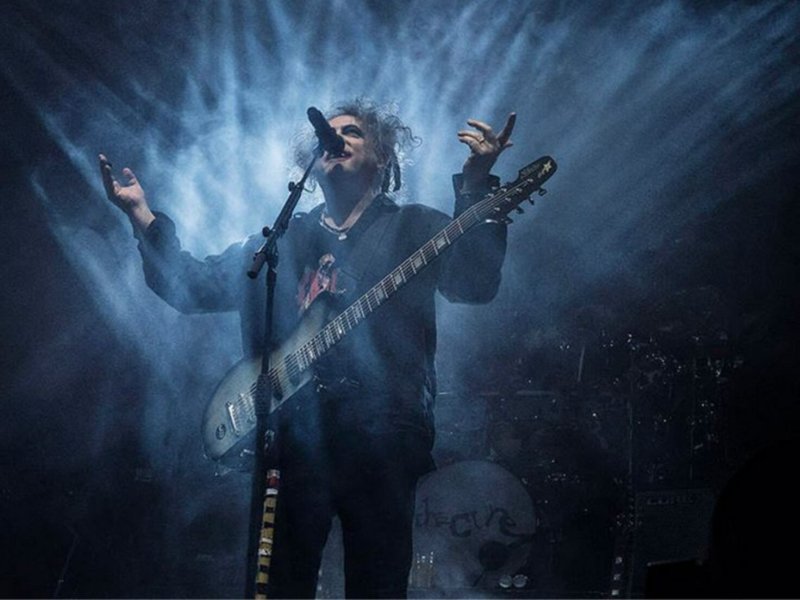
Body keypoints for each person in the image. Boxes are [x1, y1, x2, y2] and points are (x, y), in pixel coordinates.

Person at [99, 98, 516, 598]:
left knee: (377, 585)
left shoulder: (414, 227)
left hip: (382, 435)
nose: (335, 138)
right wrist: (141, 214)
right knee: (275, 585)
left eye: (353, 132)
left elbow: (474, 283)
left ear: (383, 157)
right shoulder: (281, 241)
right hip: (292, 438)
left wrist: (475, 185)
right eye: (328, 134)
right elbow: (191, 286)